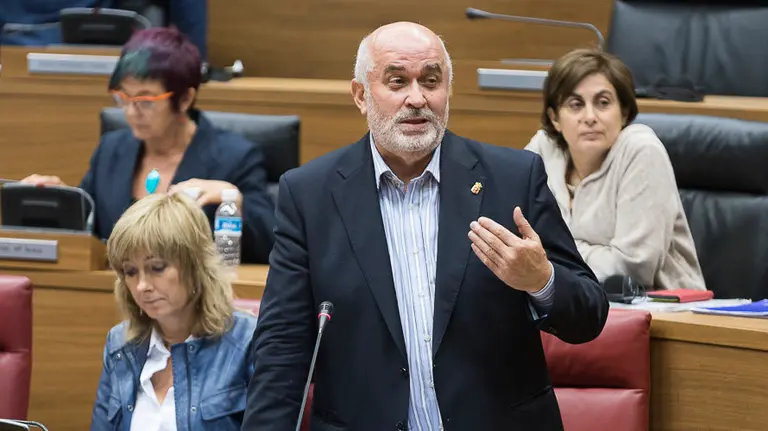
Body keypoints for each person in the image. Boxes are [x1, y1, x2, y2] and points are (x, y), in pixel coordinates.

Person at [242, 22, 608, 430]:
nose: (416, 98)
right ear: (361, 95)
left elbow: (590, 315)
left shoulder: (513, 179)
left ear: (447, 90)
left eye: (431, 81)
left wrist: (542, 280)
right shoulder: (308, 196)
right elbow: (282, 351)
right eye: (396, 81)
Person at [20, 27, 275, 264]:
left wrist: (236, 203)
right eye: (124, 97)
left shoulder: (235, 157)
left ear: (185, 98)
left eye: (146, 100)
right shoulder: (111, 150)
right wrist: (62, 201)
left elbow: (270, 243)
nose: (132, 112)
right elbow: (92, 229)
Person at [524, 49, 706, 290]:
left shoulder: (641, 150)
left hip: (665, 311)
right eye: (575, 104)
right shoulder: (543, 148)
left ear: (624, 112)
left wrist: (549, 256)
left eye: (603, 103)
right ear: (555, 118)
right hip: (578, 303)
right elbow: (513, 236)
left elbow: (633, 268)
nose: (590, 117)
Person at [90, 192, 258, 430]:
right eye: (130, 271)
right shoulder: (119, 344)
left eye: (157, 268)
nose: (142, 286)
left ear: (195, 265)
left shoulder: (248, 342)